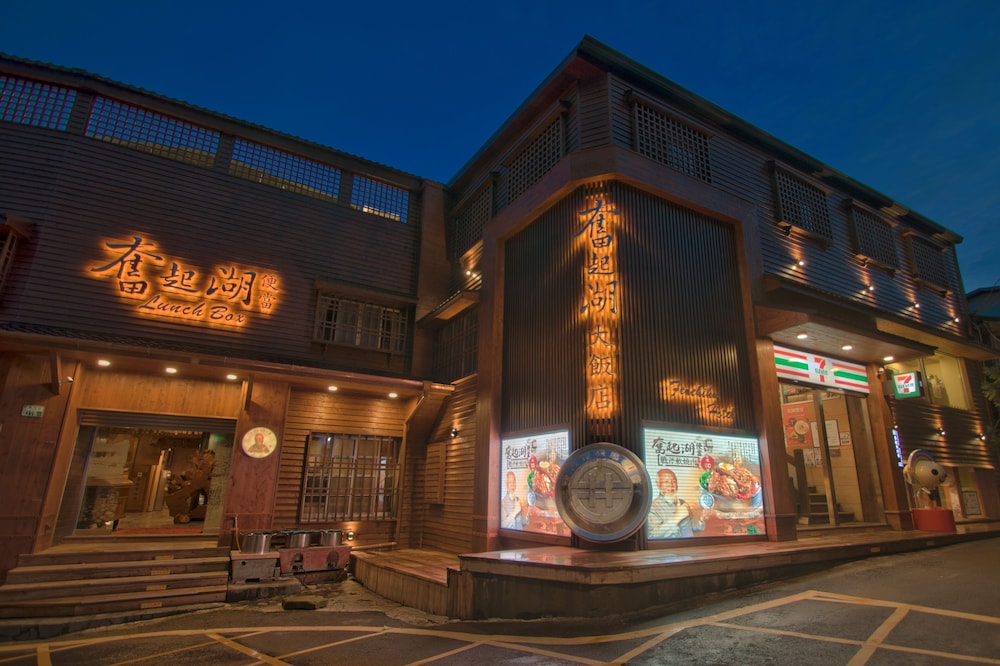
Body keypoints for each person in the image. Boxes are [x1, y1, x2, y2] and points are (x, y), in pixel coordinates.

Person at [648, 468, 696, 538]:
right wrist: (676, 518)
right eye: (666, 481)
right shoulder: (653, 507)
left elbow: (695, 528)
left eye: (673, 481)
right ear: (658, 484)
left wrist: (701, 518)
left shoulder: (683, 503)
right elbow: (652, 535)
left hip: (690, 544)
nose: (671, 484)